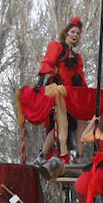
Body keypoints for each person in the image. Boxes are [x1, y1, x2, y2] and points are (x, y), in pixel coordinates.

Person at [36, 17, 87, 160]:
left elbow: (81, 76)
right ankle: (42, 155)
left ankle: (79, 156)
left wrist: (85, 93)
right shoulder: (57, 47)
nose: (75, 35)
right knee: (59, 124)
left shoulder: (77, 57)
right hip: (59, 92)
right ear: (66, 33)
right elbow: (48, 63)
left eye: (78, 33)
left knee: (81, 120)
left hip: (71, 94)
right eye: (73, 32)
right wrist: (42, 81)